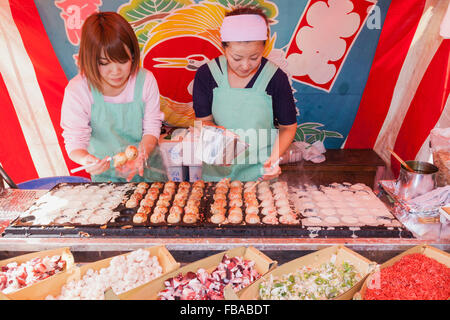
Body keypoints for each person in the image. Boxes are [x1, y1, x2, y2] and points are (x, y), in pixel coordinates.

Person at [193, 6, 297, 182]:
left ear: (265, 46)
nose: (245, 65)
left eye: (254, 57)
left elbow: (288, 128)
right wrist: (218, 144)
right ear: (223, 47)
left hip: (260, 173)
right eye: (237, 58)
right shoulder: (206, 74)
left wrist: (273, 160)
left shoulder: (275, 78)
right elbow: (203, 121)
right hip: (217, 174)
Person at [61, 12, 166, 182]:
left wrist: (141, 155)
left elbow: (152, 126)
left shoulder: (145, 80)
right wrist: (85, 159)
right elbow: (75, 141)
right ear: (90, 59)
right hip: (106, 178)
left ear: (133, 55)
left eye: (123, 61)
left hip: (149, 171)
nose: (116, 71)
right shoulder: (78, 89)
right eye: (104, 63)